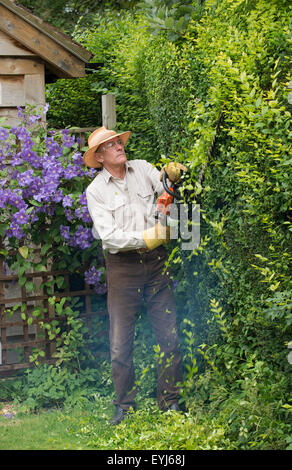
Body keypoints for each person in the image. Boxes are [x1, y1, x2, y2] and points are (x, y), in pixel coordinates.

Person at [84, 126, 184, 425]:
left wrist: (170, 178)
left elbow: (163, 185)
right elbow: (110, 237)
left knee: (169, 334)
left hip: (156, 265)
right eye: (110, 145)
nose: (118, 146)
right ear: (99, 157)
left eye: (118, 142)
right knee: (119, 344)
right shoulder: (96, 191)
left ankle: (172, 403)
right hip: (123, 269)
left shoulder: (141, 168)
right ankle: (125, 406)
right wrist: (149, 237)